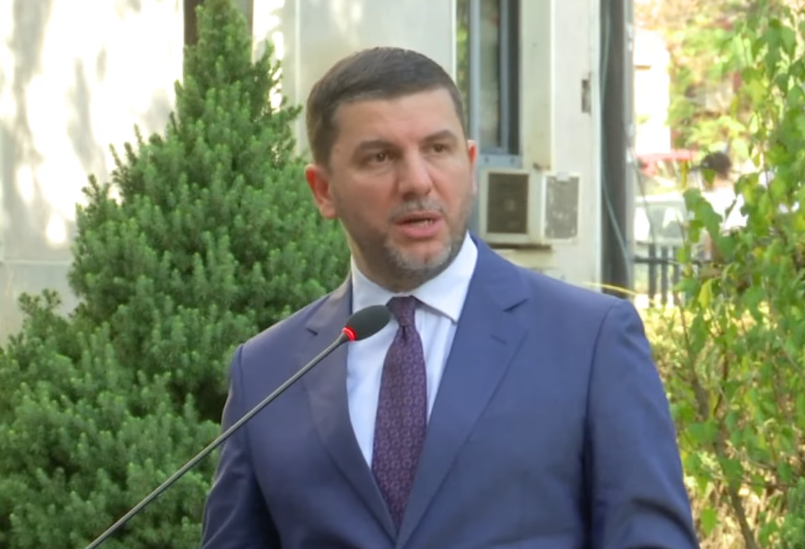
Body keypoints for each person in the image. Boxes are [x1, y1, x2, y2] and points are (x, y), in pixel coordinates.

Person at [199, 47, 700, 548]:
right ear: (323, 190)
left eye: (438, 149)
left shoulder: (589, 341)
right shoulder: (267, 372)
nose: (417, 181)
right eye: (380, 157)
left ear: (471, 164)